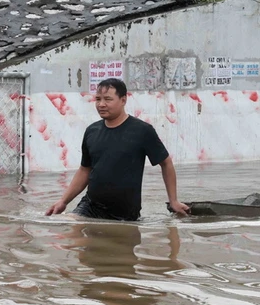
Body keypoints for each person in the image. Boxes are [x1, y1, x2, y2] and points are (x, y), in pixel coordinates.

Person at [46, 78, 191, 220]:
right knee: (71, 230)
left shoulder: (142, 131)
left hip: (125, 213)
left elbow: (166, 163)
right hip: (91, 206)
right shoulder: (92, 131)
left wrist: (174, 201)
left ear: (123, 100)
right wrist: (63, 201)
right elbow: (85, 169)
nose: (101, 104)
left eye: (108, 99)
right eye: (98, 99)